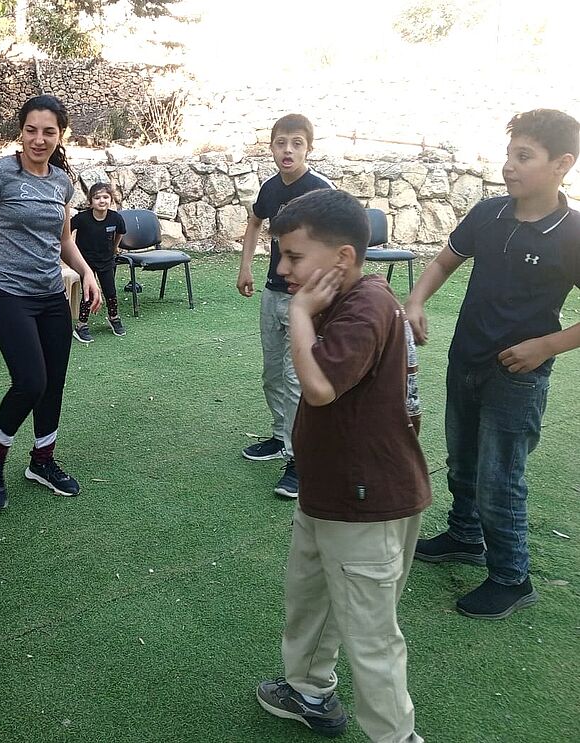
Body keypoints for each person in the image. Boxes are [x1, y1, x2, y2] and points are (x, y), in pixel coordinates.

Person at [255, 189, 430, 743]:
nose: (282, 270)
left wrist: (299, 315)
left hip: (367, 502)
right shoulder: (345, 299)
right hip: (331, 492)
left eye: (293, 257)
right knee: (311, 596)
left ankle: (397, 737)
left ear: (344, 258)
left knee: (371, 637)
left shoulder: (366, 307)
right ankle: (308, 689)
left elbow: (320, 387)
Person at [406, 108, 580, 620]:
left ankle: (511, 578)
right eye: (508, 154)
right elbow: (444, 261)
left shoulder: (572, 233)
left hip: (517, 376)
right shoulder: (488, 213)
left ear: (562, 164)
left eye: (524, 156)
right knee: (462, 460)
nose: (509, 166)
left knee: (499, 477)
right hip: (466, 358)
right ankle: (464, 535)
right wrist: (415, 301)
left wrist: (546, 346)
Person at [0, 94, 102, 510]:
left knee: (53, 383)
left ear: (60, 135)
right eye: (31, 130)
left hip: (52, 295)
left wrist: (87, 272)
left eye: (48, 132)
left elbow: (64, 240)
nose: (39, 139)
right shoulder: (0, 173)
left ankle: (42, 460)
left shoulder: (61, 182)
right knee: (31, 381)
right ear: (21, 132)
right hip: (9, 293)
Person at [236, 114, 334, 500]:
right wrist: (246, 265)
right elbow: (255, 221)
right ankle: (281, 437)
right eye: (281, 143)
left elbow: (344, 239)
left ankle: (299, 459)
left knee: (296, 380)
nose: (287, 150)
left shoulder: (321, 189)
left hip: (305, 299)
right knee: (272, 374)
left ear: (309, 148)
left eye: (296, 143)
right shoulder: (270, 188)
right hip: (273, 292)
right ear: (272, 147)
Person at [71, 182, 127, 342]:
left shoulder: (116, 218)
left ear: (111, 200)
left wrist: (114, 248)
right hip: (85, 263)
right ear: (90, 201)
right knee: (88, 293)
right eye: (97, 198)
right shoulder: (81, 219)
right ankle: (81, 326)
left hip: (106, 261)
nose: (101, 201)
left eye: (105, 197)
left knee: (110, 292)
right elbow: (65, 233)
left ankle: (114, 318)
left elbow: (120, 233)